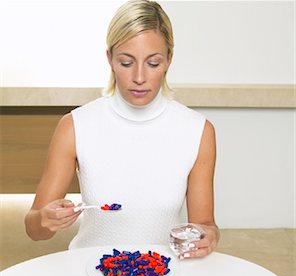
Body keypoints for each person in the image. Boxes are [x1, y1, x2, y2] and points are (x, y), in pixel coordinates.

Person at [25, 0, 220, 259]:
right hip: (88, 269)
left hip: (162, 272)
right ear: (110, 59)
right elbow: (34, 229)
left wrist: (210, 236)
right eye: (127, 62)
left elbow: (205, 224)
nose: (139, 77)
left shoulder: (198, 131)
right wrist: (46, 220)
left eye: (153, 63)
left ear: (169, 60)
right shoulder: (74, 126)